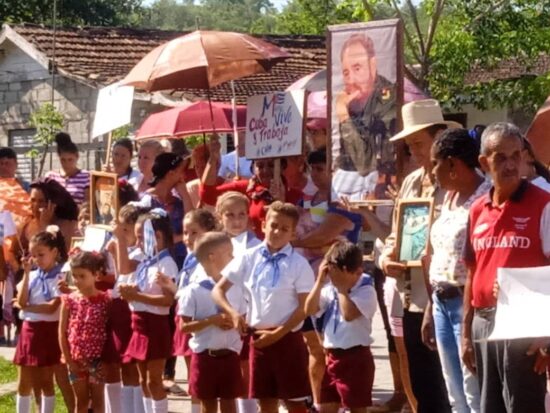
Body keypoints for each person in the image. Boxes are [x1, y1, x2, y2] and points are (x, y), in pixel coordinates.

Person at [461, 122, 550, 413]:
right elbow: (472, 272)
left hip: (525, 329)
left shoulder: (544, 204)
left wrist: (547, 334)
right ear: (484, 162)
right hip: (483, 324)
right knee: (490, 407)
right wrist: (465, 332)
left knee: (523, 406)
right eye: (501, 157)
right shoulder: (477, 210)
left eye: (516, 155)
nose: (510, 164)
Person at [381, 99, 461, 413]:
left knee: (453, 384)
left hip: (446, 295)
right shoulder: (412, 182)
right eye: (409, 145)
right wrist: (386, 258)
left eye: (418, 143)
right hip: (410, 294)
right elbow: (395, 233)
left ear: (438, 138)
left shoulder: (459, 183)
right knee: (422, 382)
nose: (413, 151)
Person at [213, 201, 314, 413]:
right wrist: (232, 313)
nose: (277, 232)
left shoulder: (299, 264)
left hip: (287, 339)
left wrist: (278, 333)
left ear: (293, 233)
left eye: (285, 229)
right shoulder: (249, 257)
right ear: (263, 225)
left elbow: (305, 307)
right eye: (274, 225)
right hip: (258, 339)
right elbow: (218, 290)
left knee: (295, 403)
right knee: (266, 402)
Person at [420, 128, 489, 413]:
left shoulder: (485, 200)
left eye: (435, 162)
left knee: (474, 392)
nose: (431, 170)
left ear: (452, 164)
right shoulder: (448, 199)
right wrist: (428, 307)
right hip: (441, 303)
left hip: (467, 305)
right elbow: (438, 256)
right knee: (454, 392)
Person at [305, 241, 377, 413]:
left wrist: (342, 288)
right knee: (326, 405)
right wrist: (320, 282)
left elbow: (349, 315)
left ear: (357, 271)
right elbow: (309, 309)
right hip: (332, 356)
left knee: (355, 407)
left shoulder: (366, 290)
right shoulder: (330, 289)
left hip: (355, 357)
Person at [179, 232, 245, 413]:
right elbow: (184, 327)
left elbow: (244, 318)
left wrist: (234, 322)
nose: (233, 257)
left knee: (230, 404)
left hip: (230, 354)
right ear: (212, 257)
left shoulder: (236, 287)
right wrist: (212, 321)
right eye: (229, 253)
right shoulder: (192, 291)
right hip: (204, 356)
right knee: (207, 404)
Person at [119, 209, 178, 413]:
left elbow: (167, 300)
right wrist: (131, 291)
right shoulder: (145, 262)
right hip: (139, 324)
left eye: (141, 239)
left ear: (158, 237)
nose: (138, 244)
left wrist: (136, 297)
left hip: (155, 326)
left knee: (154, 380)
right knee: (143, 380)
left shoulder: (166, 263)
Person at [332, 33, 396, 199]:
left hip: (382, 197)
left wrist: (344, 116)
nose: (351, 79)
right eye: (346, 73)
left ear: (372, 65)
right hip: (352, 195)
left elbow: (365, 165)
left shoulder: (388, 100)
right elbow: (344, 161)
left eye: (357, 68)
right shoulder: (350, 102)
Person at [201, 137, 302, 239]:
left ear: (282, 167)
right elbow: (208, 195)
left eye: (271, 165)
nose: (266, 170)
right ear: (253, 168)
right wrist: (213, 159)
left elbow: (296, 233)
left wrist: (282, 203)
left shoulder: (296, 196)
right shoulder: (245, 188)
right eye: (260, 166)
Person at [12, 228, 66, 413]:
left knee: (46, 382)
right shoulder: (33, 275)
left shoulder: (61, 276)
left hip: (48, 330)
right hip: (29, 330)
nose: (37, 259)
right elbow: (20, 300)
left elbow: (52, 306)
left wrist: (27, 308)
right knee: (24, 382)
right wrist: (26, 273)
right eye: (33, 255)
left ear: (54, 252)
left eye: (41, 254)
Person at [171, 209, 218, 404]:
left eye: (194, 232)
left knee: (203, 378)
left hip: (201, 319)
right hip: (186, 315)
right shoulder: (190, 258)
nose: (188, 238)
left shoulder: (208, 259)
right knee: (194, 377)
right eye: (185, 232)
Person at [59, 250, 111, 413]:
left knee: (98, 401)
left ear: (95, 275)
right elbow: (62, 332)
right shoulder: (69, 300)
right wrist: (68, 360)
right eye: (75, 276)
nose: (77, 280)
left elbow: (110, 330)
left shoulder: (105, 300)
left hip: (98, 360)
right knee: (80, 402)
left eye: (82, 276)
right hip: (76, 360)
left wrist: (107, 360)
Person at [140, 152, 194, 269]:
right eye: (181, 171)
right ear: (171, 174)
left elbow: (193, 223)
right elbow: (151, 238)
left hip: (181, 262)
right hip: (159, 265)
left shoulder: (179, 201)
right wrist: (183, 237)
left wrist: (185, 194)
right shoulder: (147, 202)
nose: (184, 175)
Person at [19, 178, 79, 255]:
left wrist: (45, 225)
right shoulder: (26, 224)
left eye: (41, 201)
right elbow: (12, 252)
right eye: (33, 200)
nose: (36, 206)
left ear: (53, 204)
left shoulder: (68, 226)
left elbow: (61, 255)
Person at [46, 133, 90, 206]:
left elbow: (88, 203)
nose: (67, 164)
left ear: (77, 156)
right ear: (59, 157)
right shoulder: (50, 177)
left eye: (70, 159)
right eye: (63, 160)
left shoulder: (86, 176)